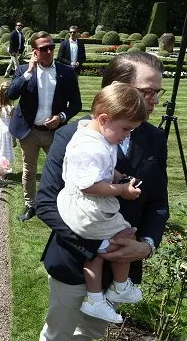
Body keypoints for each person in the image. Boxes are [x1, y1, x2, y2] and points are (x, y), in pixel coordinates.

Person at [36, 52, 169, 340]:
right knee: (59, 333)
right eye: (147, 91)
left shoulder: (154, 138)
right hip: (73, 260)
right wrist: (97, 245)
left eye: (157, 92)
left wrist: (146, 246)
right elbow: (45, 203)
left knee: (91, 334)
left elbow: (158, 201)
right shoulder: (72, 135)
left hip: (120, 269)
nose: (155, 100)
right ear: (117, 88)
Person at [57, 83, 147, 324]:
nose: (127, 135)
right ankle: (119, 287)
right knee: (125, 237)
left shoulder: (92, 133)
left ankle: (95, 298)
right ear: (105, 119)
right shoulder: (93, 147)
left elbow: (99, 170)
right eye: (126, 129)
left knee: (99, 249)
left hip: (80, 206)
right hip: (89, 207)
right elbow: (88, 185)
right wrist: (121, 190)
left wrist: (116, 175)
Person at [8, 31, 82, 221]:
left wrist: (62, 117)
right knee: (29, 170)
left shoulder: (65, 72)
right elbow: (11, 94)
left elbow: (76, 104)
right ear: (35, 52)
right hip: (29, 131)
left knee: (61, 169)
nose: (49, 51)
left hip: (54, 133)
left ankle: (59, 204)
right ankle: (30, 205)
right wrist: (28, 72)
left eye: (51, 47)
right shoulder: (24, 70)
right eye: (43, 48)